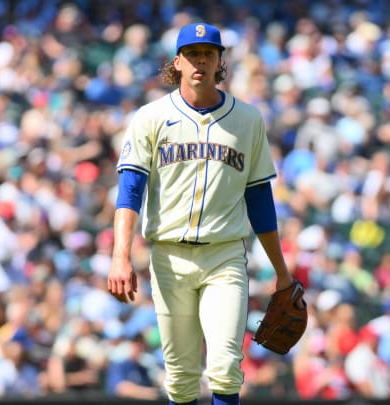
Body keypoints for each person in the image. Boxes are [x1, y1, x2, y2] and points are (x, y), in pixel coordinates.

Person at [107, 22, 294, 405]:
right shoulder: (151, 117)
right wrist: (120, 256)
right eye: (192, 54)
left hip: (224, 255)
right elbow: (130, 192)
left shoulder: (248, 119)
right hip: (169, 256)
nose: (200, 61)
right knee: (180, 376)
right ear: (177, 62)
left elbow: (260, 199)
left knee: (225, 366)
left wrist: (282, 272)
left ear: (220, 61)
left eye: (208, 53)